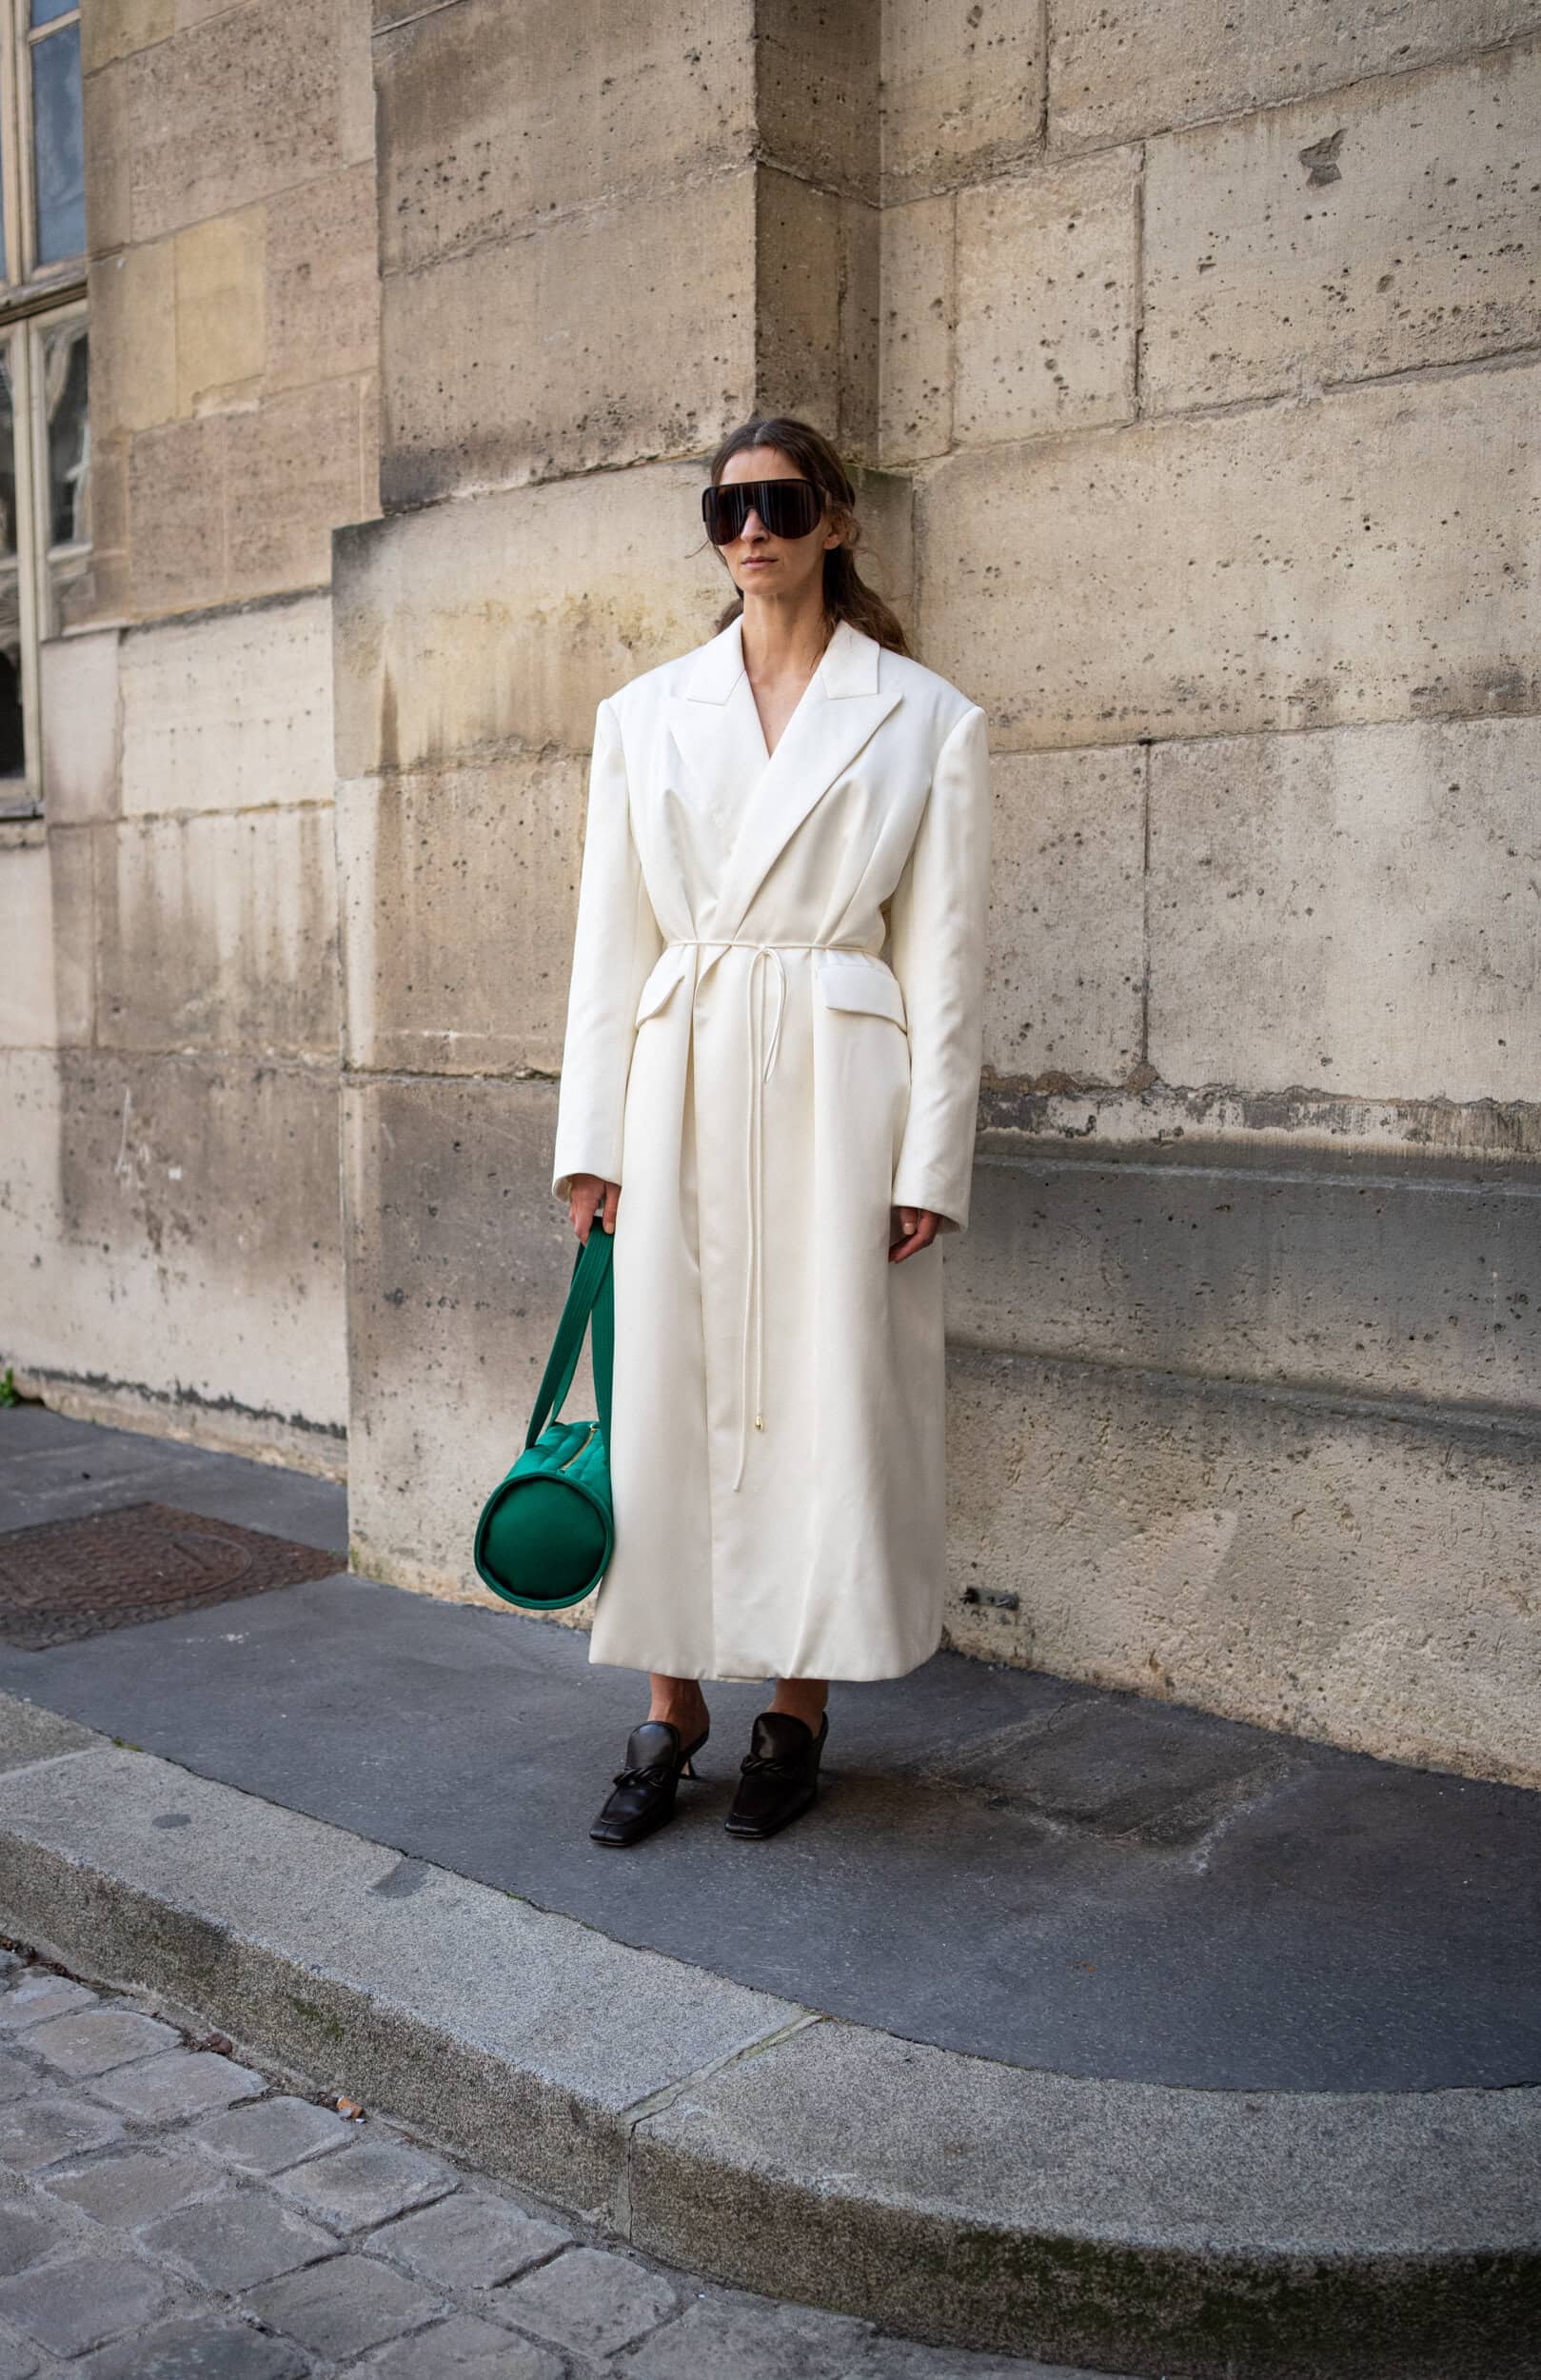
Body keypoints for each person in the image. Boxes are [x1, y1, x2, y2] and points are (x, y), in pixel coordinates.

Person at [551, 411, 991, 1847]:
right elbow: (609, 945)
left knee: (825, 1393)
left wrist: (930, 1159)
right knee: (664, 1394)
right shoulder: (642, 716)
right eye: (726, 509)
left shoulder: (926, 718)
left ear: (836, 521)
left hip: (837, 1083)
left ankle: (796, 1711)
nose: (752, 530)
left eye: (782, 503)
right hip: (676, 1075)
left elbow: (946, 958)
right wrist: (591, 1143)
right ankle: (669, 1707)